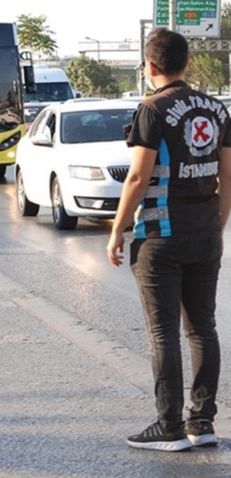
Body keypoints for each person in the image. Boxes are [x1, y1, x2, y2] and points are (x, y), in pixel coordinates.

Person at [106, 28, 231, 452]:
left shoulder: (152, 108)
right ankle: (203, 422)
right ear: (187, 63)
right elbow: (227, 175)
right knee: (203, 329)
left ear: (151, 66)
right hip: (206, 232)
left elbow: (139, 177)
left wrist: (118, 228)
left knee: (164, 334)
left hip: (161, 234)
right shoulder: (216, 109)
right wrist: (218, 224)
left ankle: (169, 427)